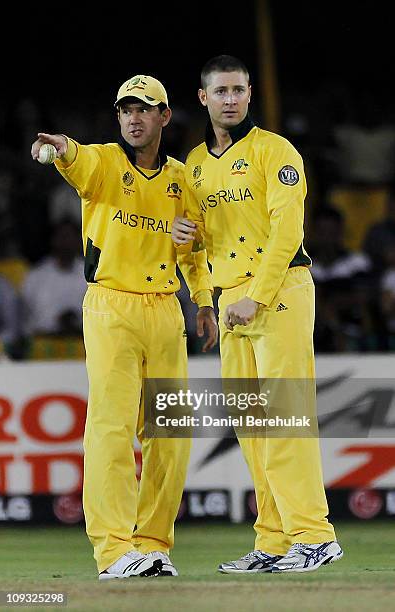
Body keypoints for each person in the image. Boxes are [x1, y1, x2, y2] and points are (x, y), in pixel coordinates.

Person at [31, 74, 217, 580]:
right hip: (111, 306)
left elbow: (193, 249)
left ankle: (153, 545)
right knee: (111, 430)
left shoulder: (182, 178)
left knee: (171, 434)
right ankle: (114, 551)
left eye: (144, 109)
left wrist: (202, 300)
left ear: (164, 117)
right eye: (125, 110)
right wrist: (60, 145)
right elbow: (76, 157)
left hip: (165, 309)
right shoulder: (104, 165)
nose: (133, 119)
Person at [172, 55, 343, 573]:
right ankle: (273, 542)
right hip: (230, 300)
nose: (230, 99)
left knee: (284, 418)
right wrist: (187, 238)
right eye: (220, 91)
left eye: (238, 90)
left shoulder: (275, 151)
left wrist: (258, 296)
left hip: (280, 291)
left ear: (250, 95)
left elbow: (288, 231)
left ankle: (314, 535)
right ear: (204, 99)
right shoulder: (197, 164)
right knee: (250, 426)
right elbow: (201, 235)